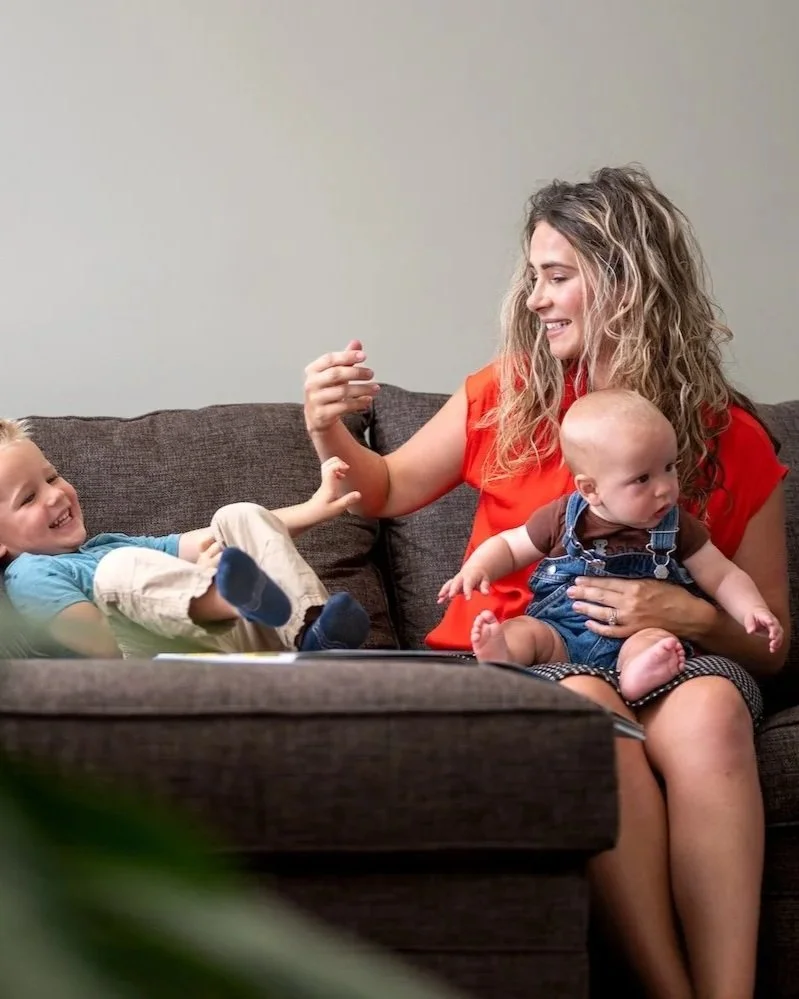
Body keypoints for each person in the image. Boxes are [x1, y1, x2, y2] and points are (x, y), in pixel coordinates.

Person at [302, 165, 790, 999]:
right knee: (590, 716)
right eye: (533, 277)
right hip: (536, 655)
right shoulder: (509, 395)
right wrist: (327, 428)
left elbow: (772, 643)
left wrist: (686, 613)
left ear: (625, 283)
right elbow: (380, 488)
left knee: (711, 711)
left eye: (556, 276)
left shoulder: (730, 437)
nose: (534, 299)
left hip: (671, 660)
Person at [437, 388, 783, 701]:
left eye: (669, 467)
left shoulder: (678, 528)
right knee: (523, 631)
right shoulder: (563, 518)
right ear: (590, 489)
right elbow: (510, 546)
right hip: (561, 634)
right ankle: (503, 656)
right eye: (642, 479)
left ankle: (637, 674)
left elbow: (722, 576)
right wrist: (477, 568)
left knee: (657, 642)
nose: (665, 488)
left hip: (637, 634)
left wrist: (751, 609)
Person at [0, 417, 370, 659]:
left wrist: (314, 508)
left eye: (51, 477)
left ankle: (313, 634)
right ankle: (220, 595)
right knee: (118, 568)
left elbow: (209, 539)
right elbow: (101, 649)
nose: (54, 495)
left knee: (235, 515)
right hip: (154, 665)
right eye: (28, 498)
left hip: (228, 642)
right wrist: (198, 582)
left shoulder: (106, 546)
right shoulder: (30, 574)